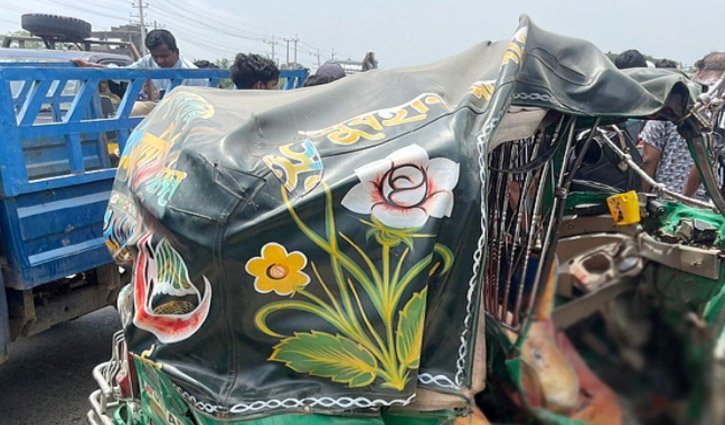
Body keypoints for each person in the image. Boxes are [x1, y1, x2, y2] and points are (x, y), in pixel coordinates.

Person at [73, 29, 206, 115]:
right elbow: (125, 73)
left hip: (187, 112)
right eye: (155, 56)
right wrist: (91, 66)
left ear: (176, 52)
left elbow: (202, 107)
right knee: (133, 109)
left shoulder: (194, 75)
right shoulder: (148, 61)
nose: (159, 61)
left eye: (164, 56)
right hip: (163, 108)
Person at [639, 59, 706, 197]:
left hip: (667, 195)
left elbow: (649, 158)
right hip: (704, 200)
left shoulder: (662, 113)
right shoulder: (708, 111)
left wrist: (643, 197)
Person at [683, 52, 725, 197]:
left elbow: (705, 157)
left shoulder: (684, 94)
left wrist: (685, 198)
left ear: (701, 70)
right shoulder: (712, 99)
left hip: (676, 194)